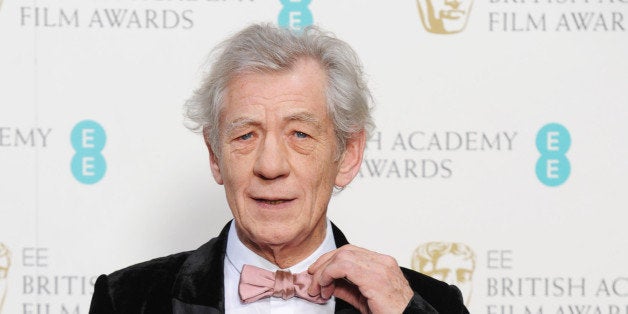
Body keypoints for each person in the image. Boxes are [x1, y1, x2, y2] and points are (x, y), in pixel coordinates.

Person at [89, 23, 469, 314]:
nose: (270, 166)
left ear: (348, 154)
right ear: (214, 154)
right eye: (245, 136)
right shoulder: (126, 299)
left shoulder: (427, 302)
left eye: (300, 135)